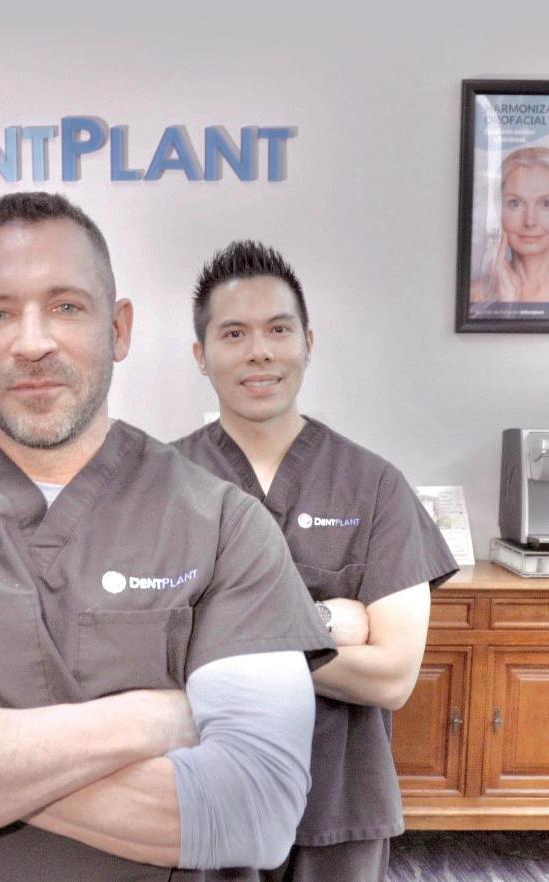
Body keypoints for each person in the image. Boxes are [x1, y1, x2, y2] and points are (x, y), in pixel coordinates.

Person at [0, 192, 336, 881]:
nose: (33, 342)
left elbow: (254, 813)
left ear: (119, 329)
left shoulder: (226, 525)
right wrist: (153, 720)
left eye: (67, 307)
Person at [172, 240, 459, 882]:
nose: (259, 351)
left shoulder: (374, 485)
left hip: (340, 804)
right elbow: (142, 655)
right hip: (204, 801)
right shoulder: (160, 485)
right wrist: (324, 624)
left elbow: (391, 677)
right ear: (201, 354)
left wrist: (221, 640)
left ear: (307, 342)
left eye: (279, 330)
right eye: (234, 333)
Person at [470, 146, 549, 307]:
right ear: (497, 210)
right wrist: (506, 304)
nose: (530, 221)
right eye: (515, 203)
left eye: (546, 204)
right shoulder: (474, 294)